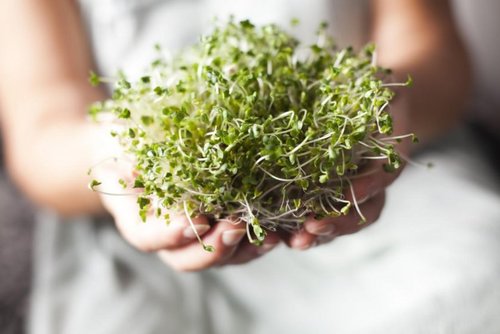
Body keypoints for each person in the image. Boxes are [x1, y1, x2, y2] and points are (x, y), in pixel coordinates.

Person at [2, 0, 499, 333]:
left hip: (386, 179)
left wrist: (389, 106)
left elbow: (439, 61)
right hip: (141, 225)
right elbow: (42, 129)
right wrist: (112, 149)